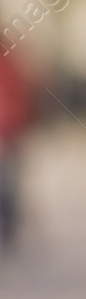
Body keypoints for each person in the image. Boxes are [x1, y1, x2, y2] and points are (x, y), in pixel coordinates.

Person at [0, 46, 29, 254]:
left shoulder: (10, 60)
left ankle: (8, 228)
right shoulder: (13, 59)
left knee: (8, 184)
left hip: (9, 131)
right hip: (11, 130)